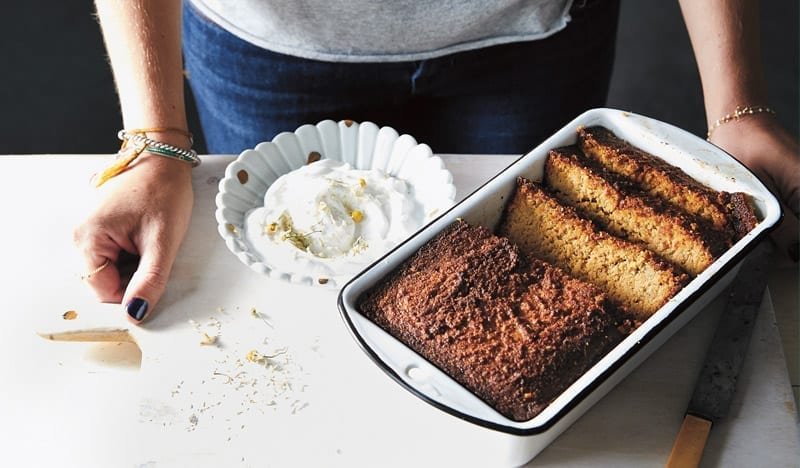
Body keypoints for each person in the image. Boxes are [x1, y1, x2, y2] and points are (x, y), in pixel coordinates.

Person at [75, 0, 799, 323]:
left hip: (532, 41)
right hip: (267, 45)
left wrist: (738, 104)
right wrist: (154, 138)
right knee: (302, 313)